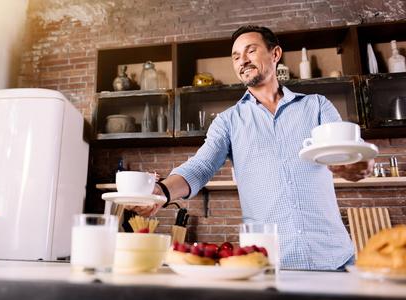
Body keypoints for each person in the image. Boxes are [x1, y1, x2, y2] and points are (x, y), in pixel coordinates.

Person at [126, 25, 374, 270]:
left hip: (333, 258)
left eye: (250, 51)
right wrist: (162, 191)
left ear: (275, 54)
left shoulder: (317, 106)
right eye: (236, 57)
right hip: (267, 263)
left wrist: (358, 163)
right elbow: (201, 166)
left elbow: (352, 148)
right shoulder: (228, 121)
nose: (242, 60)